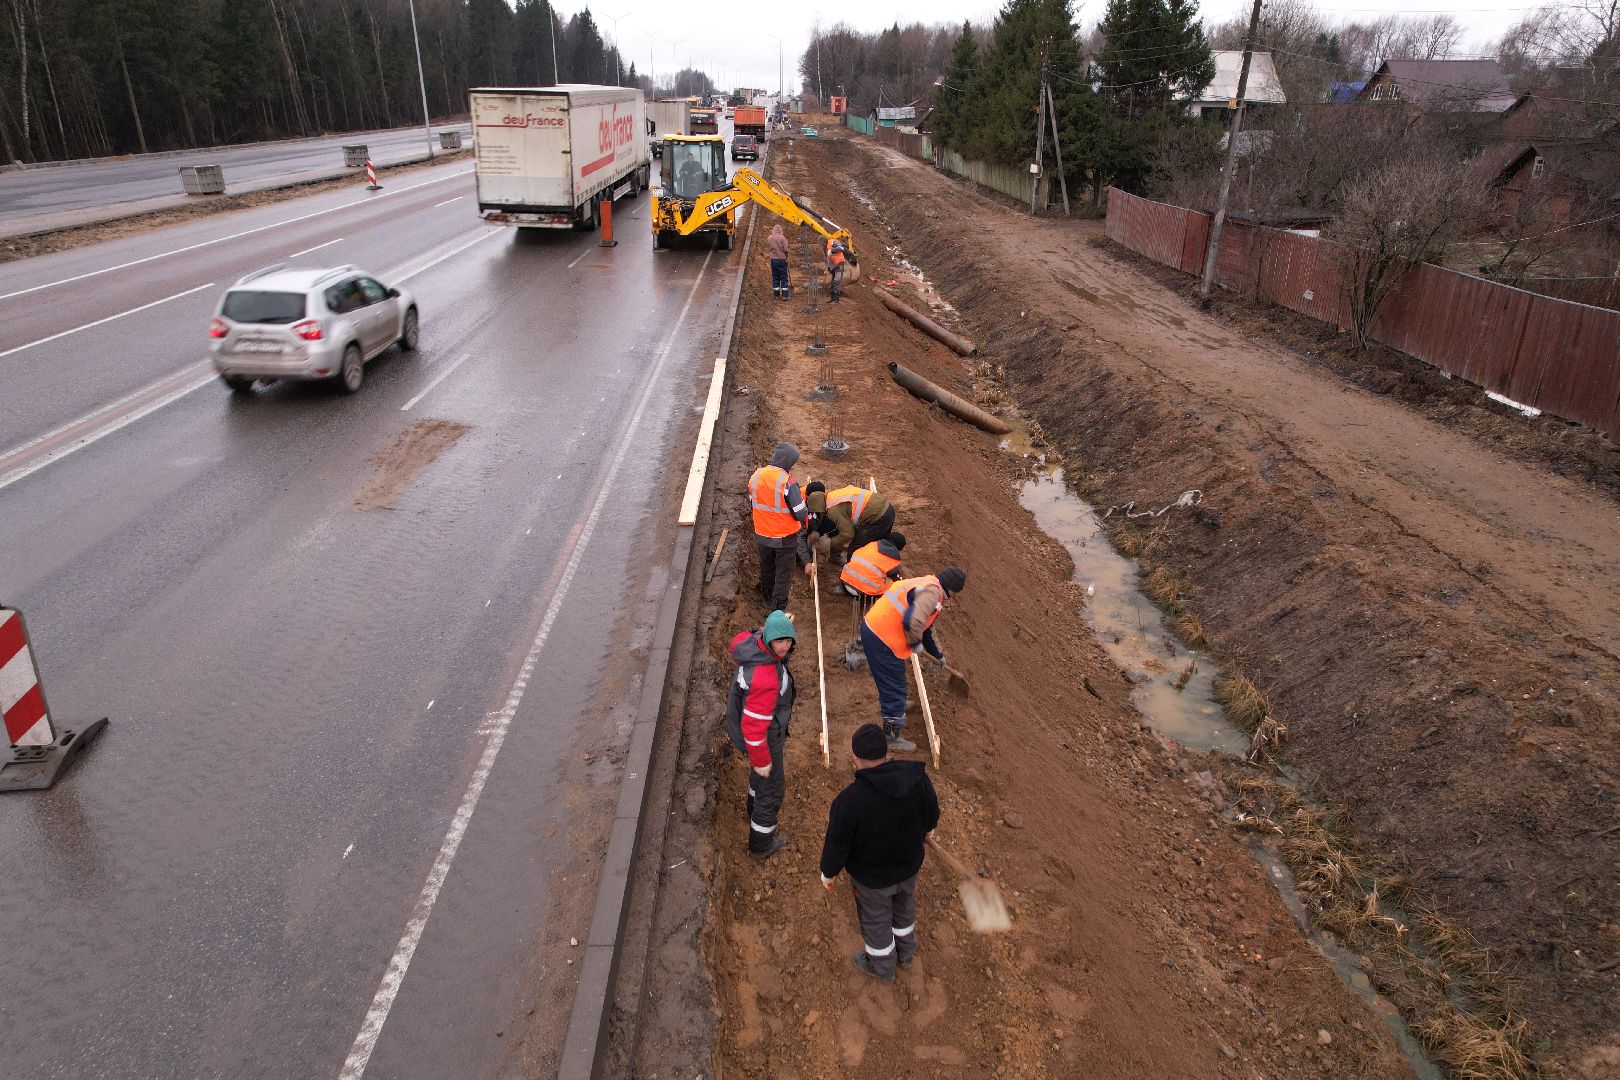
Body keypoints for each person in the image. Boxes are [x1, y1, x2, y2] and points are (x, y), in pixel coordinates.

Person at [819, 723, 940, 981]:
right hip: (908, 869)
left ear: (855, 758)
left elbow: (837, 845)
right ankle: (906, 953)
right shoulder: (916, 778)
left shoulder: (848, 802)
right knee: (904, 907)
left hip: (873, 882)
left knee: (876, 921)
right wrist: (928, 829)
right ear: (886, 752)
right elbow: (932, 812)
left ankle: (882, 967)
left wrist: (828, 874)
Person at [861, 568, 966, 752]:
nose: (954, 597)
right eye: (956, 593)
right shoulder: (933, 594)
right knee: (894, 684)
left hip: (877, 628)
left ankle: (898, 706)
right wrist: (915, 642)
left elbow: (926, 628)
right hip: (883, 638)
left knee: (897, 678)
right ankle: (891, 736)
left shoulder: (928, 583)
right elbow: (913, 622)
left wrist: (938, 655)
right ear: (951, 588)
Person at [726, 611, 798, 859]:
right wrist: (762, 760)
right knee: (773, 789)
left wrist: (775, 626)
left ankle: (752, 808)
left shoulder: (753, 644)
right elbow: (754, 729)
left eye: (788, 640)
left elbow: (743, 637)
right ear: (768, 640)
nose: (784, 646)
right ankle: (761, 844)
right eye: (779, 641)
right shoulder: (766, 679)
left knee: (760, 781)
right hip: (765, 739)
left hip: (752, 731)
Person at [748, 443, 811, 611]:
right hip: (785, 538)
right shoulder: (787, 482)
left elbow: (753, 503)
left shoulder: (756, 475)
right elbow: (799, 513)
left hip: (761, 534)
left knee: (766, 566)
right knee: (784, 573)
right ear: (788, 462)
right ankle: (778, 607)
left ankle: (766, 597)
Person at [804, 482, 894, 561]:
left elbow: (848, 534)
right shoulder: (832, 496)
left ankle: (851, 577)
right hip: (885, 507)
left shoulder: (832, 510)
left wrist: (829, 542)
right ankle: (835, 557)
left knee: (856, 549)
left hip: (879, 517)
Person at [838, 532, 905, 600]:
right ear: (899, 548)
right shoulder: (894, 560)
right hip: (864, 594)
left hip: (845, 583)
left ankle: (841, 589)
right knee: (897, 581)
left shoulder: (871, 544)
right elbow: (892, 574)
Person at [767, 223, 791, 300]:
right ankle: (785, 295)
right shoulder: (782, 238)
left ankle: (776, 295)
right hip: (781, 259)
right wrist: (787, 254)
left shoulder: (769, 238)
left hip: (773, 260)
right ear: (780, 230)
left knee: (775, 277)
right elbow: (786, 249)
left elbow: (770, 247)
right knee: (783, 277)